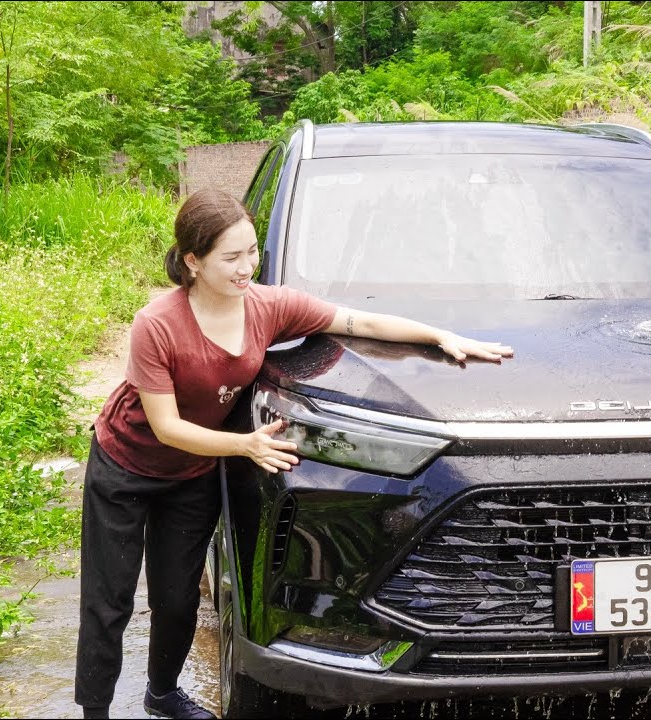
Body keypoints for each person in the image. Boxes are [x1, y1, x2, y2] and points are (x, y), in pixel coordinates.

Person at [74, 188, 514, 719]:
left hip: (191, 473)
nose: (247, 268)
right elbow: (167, 427)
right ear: (193, 261)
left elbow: (358, 323)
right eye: (231, 257)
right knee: (110, 599)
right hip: (126, 465)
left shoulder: (267, 306)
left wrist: (442, 337)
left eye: (252, 252)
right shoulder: (158, 324)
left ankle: (162, 693)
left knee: (176, 597)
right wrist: (246, 445)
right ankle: (93, 710)